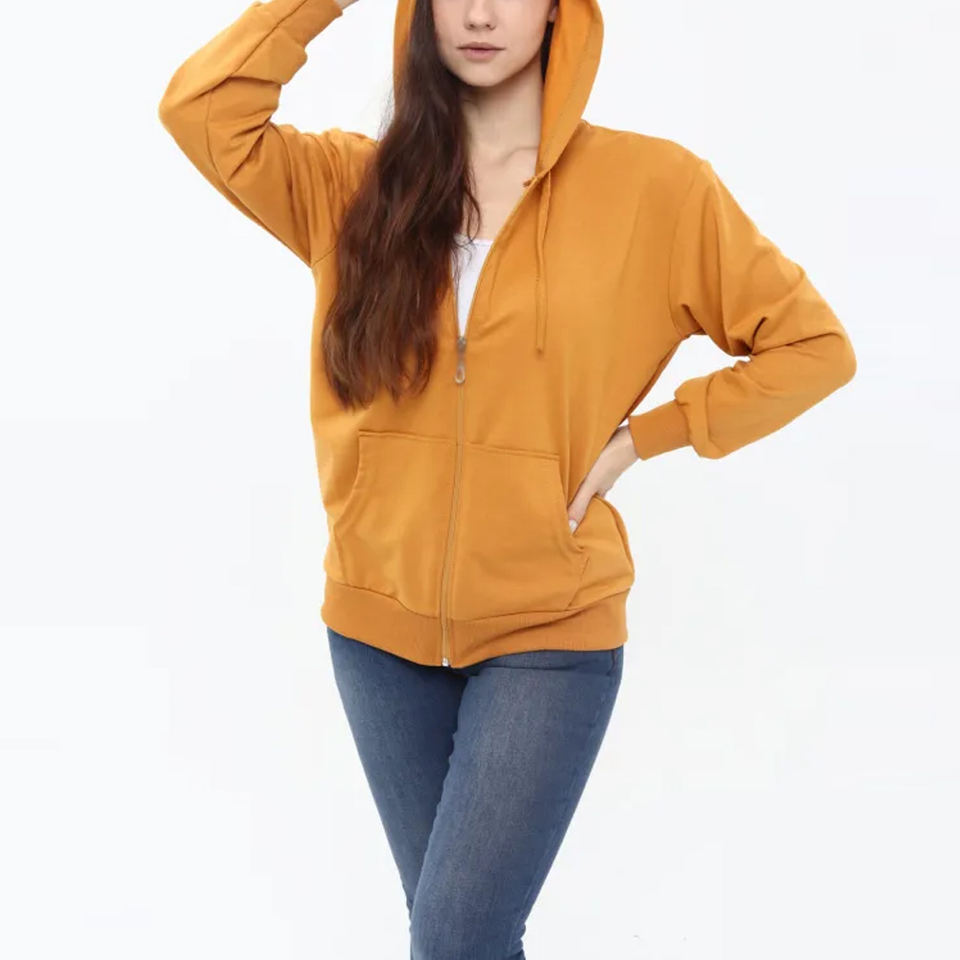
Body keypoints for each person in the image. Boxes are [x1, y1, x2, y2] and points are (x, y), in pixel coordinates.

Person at [157, 1, 856, 956]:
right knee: (464, 939)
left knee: (455, 937)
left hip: (548, 628)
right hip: (375, 629)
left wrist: (651, 435)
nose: (481, 12)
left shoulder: (656, 189)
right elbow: (201, 108)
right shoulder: (351, 185)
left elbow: (813, 346)